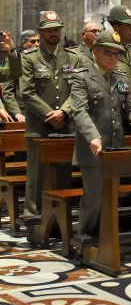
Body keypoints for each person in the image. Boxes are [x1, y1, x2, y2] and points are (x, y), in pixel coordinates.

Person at [70, 30, 131, 235]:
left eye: (116, 54)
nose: (113, 58)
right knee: (94, 198)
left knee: (111, 197)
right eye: (108, 53)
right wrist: (93, 136)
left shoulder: (120, 78)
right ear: (95, 52)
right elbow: (79, 111)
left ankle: (106, 239)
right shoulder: (82, 78)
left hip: (115, 149)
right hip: (92, 149)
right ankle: (85, 239)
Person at [15, 11, 81, 216]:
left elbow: (78, 90)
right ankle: (33, 218)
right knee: (36, 176)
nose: (54, 33)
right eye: (49, 30)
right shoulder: (28, 58)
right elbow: (26, 92)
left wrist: (63, 112)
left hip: (66, 126)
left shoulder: (73, 58)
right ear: (40, 32)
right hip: (39, 127)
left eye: (57, 29)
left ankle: (59, 218)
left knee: (63, 175)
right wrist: (50, 115)